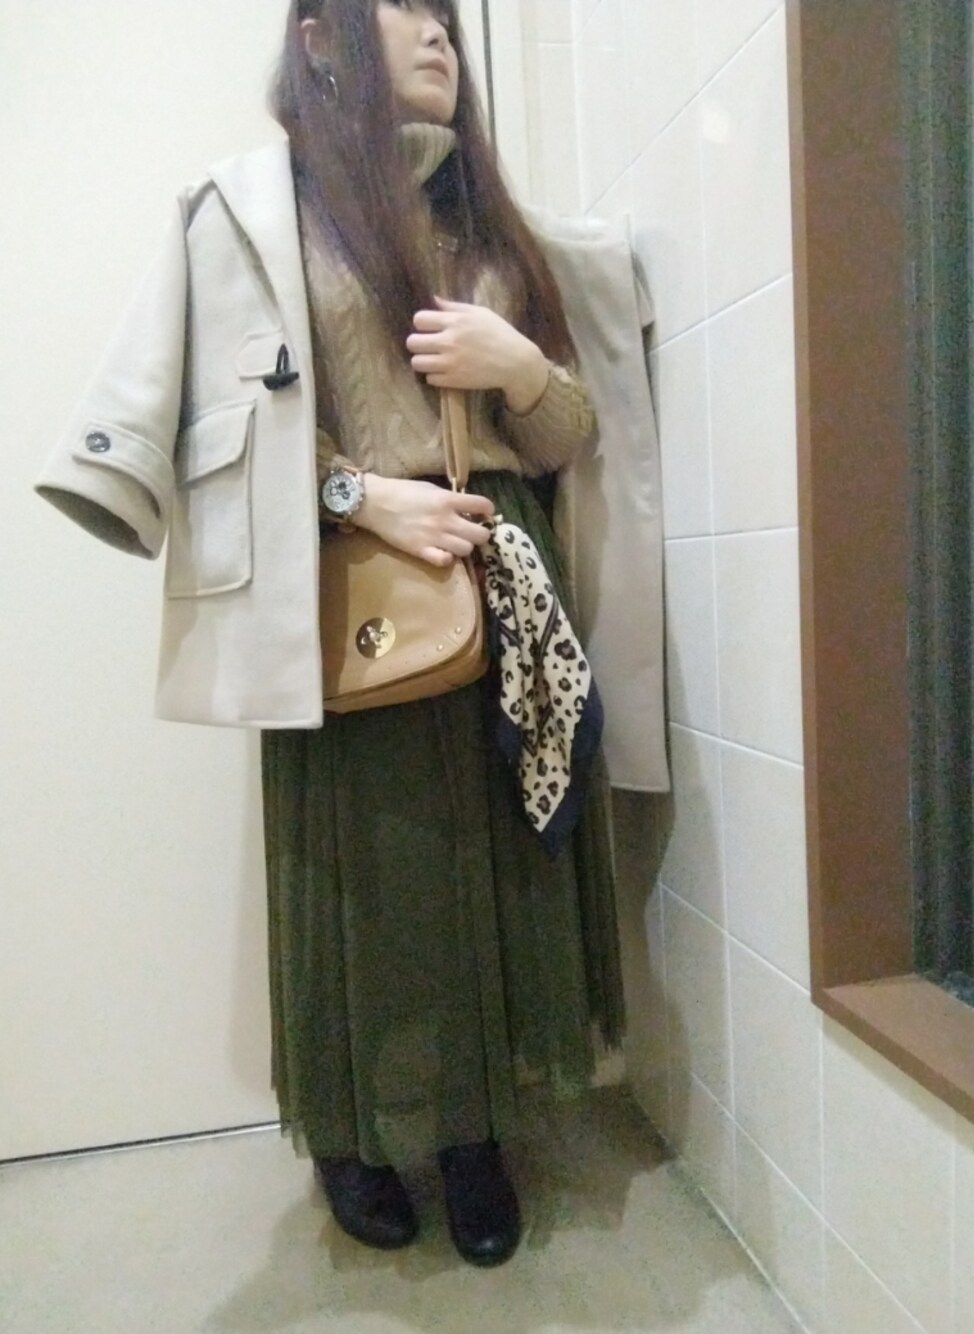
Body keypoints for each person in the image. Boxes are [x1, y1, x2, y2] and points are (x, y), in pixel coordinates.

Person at [36, 0, 668, 1271]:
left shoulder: (492, 226)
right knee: (366, 877)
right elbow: (226, 422)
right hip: (347, 590)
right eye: (406, 8)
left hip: (503, 580)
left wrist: (517, 368)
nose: (440, 36)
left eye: (449, 18)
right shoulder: (263, 216)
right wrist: (358, 494)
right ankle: (353, 1133)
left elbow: (565, 437)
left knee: (502, 862)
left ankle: (477, 1135)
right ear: (321, 40)